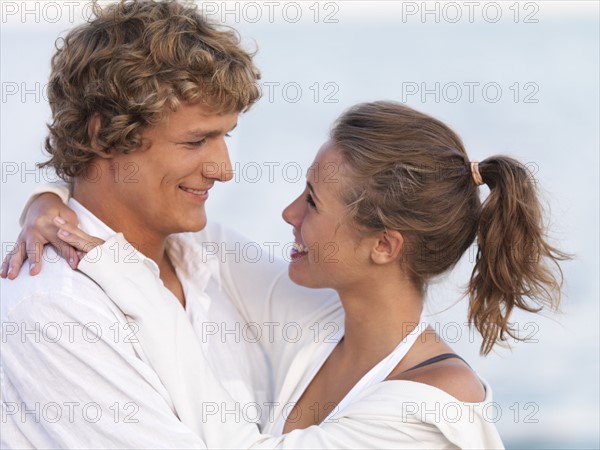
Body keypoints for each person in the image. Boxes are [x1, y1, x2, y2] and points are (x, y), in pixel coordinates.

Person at [4, 100, 567, 447]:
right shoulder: (312, 320)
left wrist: (132, 288)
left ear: (384, 245)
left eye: (313, 202)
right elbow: (145, 218)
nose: (289, 213)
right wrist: (47, 202)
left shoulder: (429, 409)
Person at [0, 1, 343, 447]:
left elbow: (354, 321)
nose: (224, 169)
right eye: (197, 141)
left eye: (226, 135)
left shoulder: (205, 254)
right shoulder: (56, 310)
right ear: (103, 136)